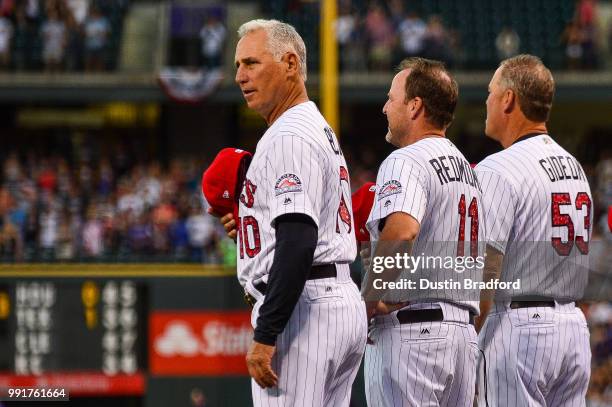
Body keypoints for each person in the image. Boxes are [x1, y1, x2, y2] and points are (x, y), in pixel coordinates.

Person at [208, 19, 367, 406]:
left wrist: (265, 335)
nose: (239, 76)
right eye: (237, 66)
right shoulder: (314, 126)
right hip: (335, 299)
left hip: (304, 308)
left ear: (290, 64)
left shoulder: (288, 134)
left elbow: (298, 241)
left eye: (251, 63)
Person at [360, 57, 483, 407]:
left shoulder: (405, 159)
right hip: (462, 335)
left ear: (415, 106)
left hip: (414, 333)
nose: (385, 107)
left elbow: (402, 233)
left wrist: (367, 302)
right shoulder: (467, 170)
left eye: (392, 98)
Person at [475, 54, 593, 406]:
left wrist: (466, 335)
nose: (487, 100)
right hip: (572, 327)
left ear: (508, 99)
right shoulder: (574, 165)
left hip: (519, 329)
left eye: (491, 91)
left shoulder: (498, 168)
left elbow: (486, 268)